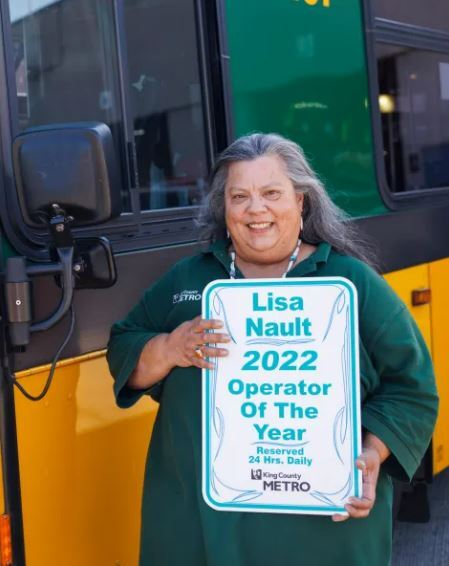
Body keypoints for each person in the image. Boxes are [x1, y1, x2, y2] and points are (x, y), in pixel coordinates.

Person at [107, 133, 438, 566]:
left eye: (271, 193)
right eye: (239, 196)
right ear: (223, 208)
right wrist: (171, 347)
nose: (255, 209)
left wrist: (371, 454)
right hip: (199, 526)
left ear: (301, 201)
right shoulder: (189, 281)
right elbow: (123, 347)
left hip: (320, 533)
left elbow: (412, 389)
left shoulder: (350, 283)